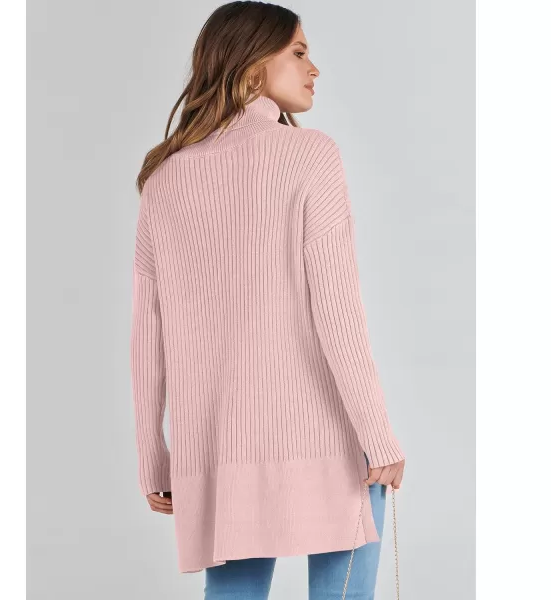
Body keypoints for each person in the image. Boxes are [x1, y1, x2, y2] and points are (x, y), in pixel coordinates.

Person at [130, 2, 405, 598]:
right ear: (253, 64)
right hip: (322, 434)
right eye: (299, 52)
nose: (314, 68)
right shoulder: (311, 154)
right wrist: (378, 434)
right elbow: (338, 311)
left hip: (216, 448)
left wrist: (154, 456)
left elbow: (148, 334)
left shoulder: (164, 177)